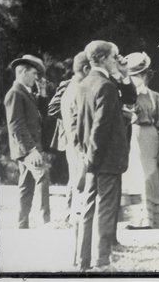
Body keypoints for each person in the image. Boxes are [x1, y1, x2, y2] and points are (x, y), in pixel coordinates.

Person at [71, 41, 135, 270]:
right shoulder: (106, 86)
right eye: (115, 56)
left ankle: (82, 259)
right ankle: (101, 260)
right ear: (104, 58)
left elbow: (80, 124)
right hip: (104, 158)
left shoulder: (83, 83)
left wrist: (125, 76)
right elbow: (101, 126)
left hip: (90, 155)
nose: (117, 60)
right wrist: (94, 159)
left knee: (88, 208)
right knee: (105, 210)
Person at [121, 53, 159, 229]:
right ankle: (136, 219)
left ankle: (153, 219)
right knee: (137, 175)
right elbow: (123, 115)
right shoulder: (127, 96)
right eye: (134, 76)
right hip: (134, 136)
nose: (138, 79)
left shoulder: (155, 96)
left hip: (152, 136)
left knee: (152, 176)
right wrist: (130, 114)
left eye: (141, 75)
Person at [6, 54, 51, 229]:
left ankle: (22, 223)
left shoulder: (25, 92)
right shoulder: (15, 93)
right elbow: (16, 125)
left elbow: (41, 116)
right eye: (34, 73)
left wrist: (43, 94)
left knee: (26, 185)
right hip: (27, 148)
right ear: (23, 72)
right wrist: (31, 150)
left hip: (29, 147)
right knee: (43, 176)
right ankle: (45, 220)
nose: (36, 78)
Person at [51, 51, 90, 220]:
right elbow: (53, 109)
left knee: (76, 177)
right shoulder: (71, 87)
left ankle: (71, 213)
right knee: (78, 176)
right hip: (74, 138)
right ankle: (72, 213)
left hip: (74, 137)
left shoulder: (82, 87)